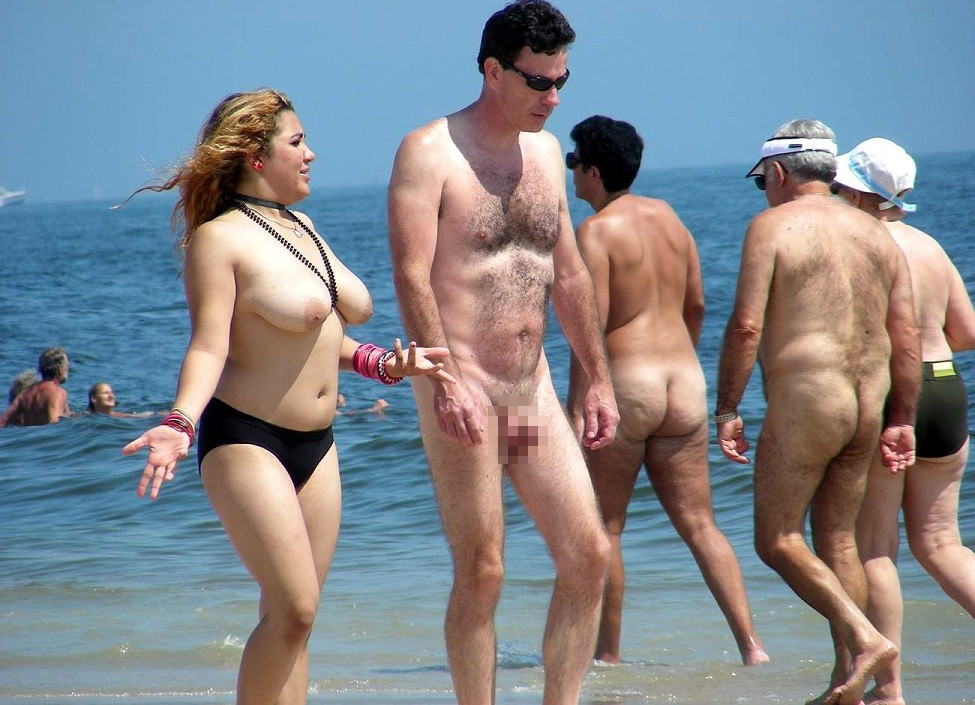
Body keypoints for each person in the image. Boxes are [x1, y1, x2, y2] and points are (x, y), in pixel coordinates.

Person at [121, 89, 453, 705]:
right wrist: (180, 421)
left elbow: (321, 337)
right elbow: (209, 346)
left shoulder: (301, 228)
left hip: (317, 445)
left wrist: (385, 364)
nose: (311, 154)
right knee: (293, 610)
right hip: (247, 438)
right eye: (297, 143)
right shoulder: (219, 239)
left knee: (296, 621)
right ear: (255, 156)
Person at [387, 3, 618, 703]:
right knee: (483, 569)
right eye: (539, 82)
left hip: (528, 393)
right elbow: (411, 274)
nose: (554, 98)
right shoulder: (429, 152)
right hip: (462, 389)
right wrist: (445, 380)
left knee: (587, 553)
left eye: (561, 82)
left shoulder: (544, 154)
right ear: (493, 71)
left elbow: (568, 274)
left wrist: (598, 380)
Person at [714, 119, 920, 705]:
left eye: (763, 181)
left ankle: (865, 638)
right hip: (868, 400)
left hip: (810, 401)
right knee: (838, 542)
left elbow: (746, 326)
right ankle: (846, 683)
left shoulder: (771, 227)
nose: (765, 191)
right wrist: (903, 417)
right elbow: (905, 335)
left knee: (777, 539)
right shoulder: (878, 233)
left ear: (778, 173)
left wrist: (727, 408)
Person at [566, 115, 768, 666]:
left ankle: (607, 656)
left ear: (594, 171)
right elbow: (696, 305)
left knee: (606, 527)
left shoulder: (596, 232)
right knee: (701, 524)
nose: (571, 172)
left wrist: (578, 406)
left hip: (627, 385)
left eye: (574, 162)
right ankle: (752, 648)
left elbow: (591, 328)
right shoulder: (672, 219)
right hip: (684, 383)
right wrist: (681, 355)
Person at [835, 138, 975, 705]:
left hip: (896, 392)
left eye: (841, 187)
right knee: (942, 544)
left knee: (874, 548)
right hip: (945, 388)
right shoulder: (928, 245)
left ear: (857, 193)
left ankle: (888, 693)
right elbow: (967, 333)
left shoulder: (857, 245)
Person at [0, 347, 71, 427]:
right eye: (67, 366)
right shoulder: (58, 392)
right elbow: (54, 423)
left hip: (28, 434)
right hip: (47, 434)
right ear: (60, 369)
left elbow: (2, 422)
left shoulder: (25, 393)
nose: (68, 369)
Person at [86, 381, 156, 418]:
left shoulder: (119, 415)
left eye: (112, 393)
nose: (111, 396)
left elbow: (139, 416)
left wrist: (155, 414)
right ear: (93, 398)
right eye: (106, 393)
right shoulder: (86, 417)